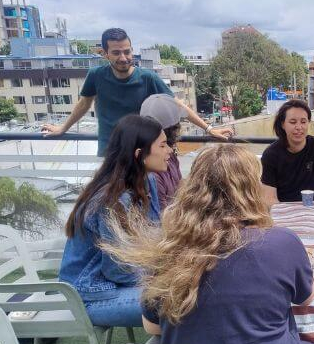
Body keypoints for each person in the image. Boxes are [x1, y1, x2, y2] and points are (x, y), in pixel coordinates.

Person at [102, 145, 314, 344]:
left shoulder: (167, 247)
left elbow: (152, 326)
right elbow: (306, 296)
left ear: (192, 188)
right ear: (252, 189)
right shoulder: (283, 242)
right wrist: (306, 268)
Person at [41, 28, 231, 156]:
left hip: (140, 152)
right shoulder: (96, 75)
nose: (123, 58)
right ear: (104, 53)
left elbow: (177, 106)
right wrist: (62, 129)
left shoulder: (147, 78)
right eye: (116, 53)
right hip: (110, 152)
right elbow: (84, 104)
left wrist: (209, 129)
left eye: (127, 51)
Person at [58, 115, 171, 327]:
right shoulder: (113, 200)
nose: (170, 150)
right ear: (139, 155)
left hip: (118, 285)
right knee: (178, 304)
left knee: (190, 289)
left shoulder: (148, 182)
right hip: (91, 295)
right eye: (163, 145)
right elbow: (117, 269)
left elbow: (155, 234)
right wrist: (159, 278)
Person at [140, 94, 233, 209]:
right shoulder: (153, 175)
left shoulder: (169, 155)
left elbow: (179, 186)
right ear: (173, 128)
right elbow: (162, 217)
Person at [261, 99, 314, 204]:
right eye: (292, 122)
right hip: (284, 211)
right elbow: (269, 198)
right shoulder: (271, 155)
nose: (299, 127)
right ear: (282, 124)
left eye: (303, 122)